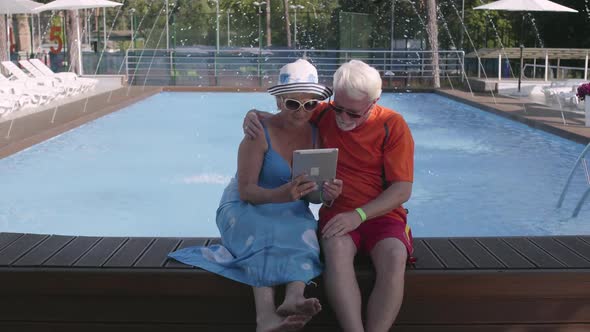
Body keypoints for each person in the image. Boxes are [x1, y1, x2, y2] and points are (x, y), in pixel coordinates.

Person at [169, 59, 343, 332]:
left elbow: (311, 197)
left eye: (309, 104)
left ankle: (294, 297)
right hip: (244, 205)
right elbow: (247, 191)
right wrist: (284, 194)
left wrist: (326, 194)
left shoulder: (314, 135)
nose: (301, 112)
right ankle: (265, 317)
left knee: (304, 228)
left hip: (287, 205)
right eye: (292, 104)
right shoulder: (257, 132)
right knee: (264, 231)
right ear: (279, 101)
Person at [244, 59, 415, 332]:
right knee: (336, 249)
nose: (343, 118)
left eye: (354, 114)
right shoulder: (323, 113)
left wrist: (358, 215)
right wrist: (253, 114)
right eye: (339, 109)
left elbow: (402, 190)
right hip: (337, 211)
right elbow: (288, 113)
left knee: (395, 256)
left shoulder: (392, 125)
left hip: (381, 214)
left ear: (375, 100)